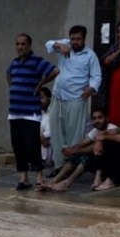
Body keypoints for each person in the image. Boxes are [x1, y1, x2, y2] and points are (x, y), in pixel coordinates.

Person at [45, 25, 102, 174]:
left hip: (76, 98)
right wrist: (60, 44)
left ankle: (70, 166)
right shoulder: (64, 46)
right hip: (58, 95)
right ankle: (58, 166)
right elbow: (48, 44)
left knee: (74, 133)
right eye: (72, 39)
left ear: (84, 39)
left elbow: (97, 76)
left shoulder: (90, 55)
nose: (75, 42)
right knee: (56, 131)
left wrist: (91, 88)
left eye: (78, 39)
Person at [7, 33, 59, 190]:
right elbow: (8, 74)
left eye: (23, 44)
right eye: (18, 44)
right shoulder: (14, 63)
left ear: (29, 46)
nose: (20, 47)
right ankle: (23, 178)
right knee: (18, 145)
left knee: (32, 145)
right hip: (15, 111)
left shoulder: (36, 61)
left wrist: (40, 83)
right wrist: (13, 87)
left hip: (31, 112)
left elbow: (55, 71)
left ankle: (39, 178)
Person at [47, 107, 117, 192]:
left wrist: (76, 150)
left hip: (112, 167)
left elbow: (95, 147)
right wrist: (71, 149)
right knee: (76, 154)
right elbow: (83, 142)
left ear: (106, 118)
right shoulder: (96, 130)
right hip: (100, 164)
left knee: (87, 156)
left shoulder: (112, 128)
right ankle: (54, 180)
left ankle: (67, 183)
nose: (97, 121)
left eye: (100, 117)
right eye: (94, 118)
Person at [39, 86, 54, 169]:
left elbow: (51, 130)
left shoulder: (54, 111)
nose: (40, 101)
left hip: (51, 139)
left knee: (48, 139)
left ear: (49, 97)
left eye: (42, 98)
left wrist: (43, 136)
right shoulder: (39, 112)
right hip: (42, 139)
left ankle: (45, 161)